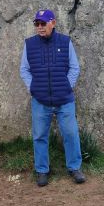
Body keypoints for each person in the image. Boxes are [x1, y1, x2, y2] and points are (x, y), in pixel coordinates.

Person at [20, 9, 86, 186]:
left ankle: (74, 168)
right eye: (37, 24)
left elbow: (74, 67)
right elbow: (24, 70)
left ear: (53, 23)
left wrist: (66, 85)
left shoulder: (65, 42)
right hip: (40, 100)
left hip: (64, 99)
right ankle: (42, 170)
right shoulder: (30, 44)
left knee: (71, 134)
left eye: (43, 23)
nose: (40, 27)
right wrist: (32, 87)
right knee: (40, 135)